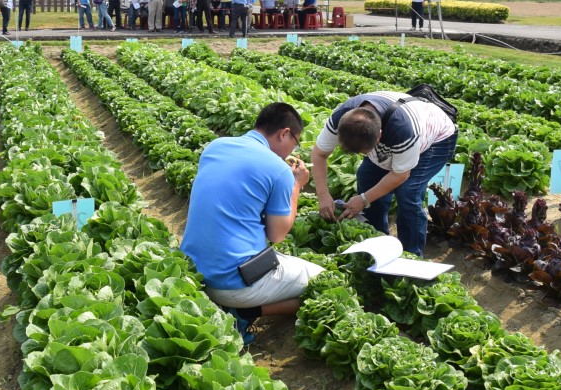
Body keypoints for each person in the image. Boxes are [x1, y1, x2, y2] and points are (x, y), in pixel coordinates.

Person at [181, 102, 321, 344]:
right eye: (295, 142)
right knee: (324, 284)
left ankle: (233, 306)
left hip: (195, 274)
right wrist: (296, 185)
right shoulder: (279, 170)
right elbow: (277, 235)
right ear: (284, 133)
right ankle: (246, 313)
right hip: (234, 285)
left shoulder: (215, 147)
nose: (292, 149)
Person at [310, 91, 458, 256]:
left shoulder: (402, 131)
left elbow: (400, 175)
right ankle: (377, 238)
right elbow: (318, 154)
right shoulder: (341, 119)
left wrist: (364, 199)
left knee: (408, 192)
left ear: (379, 135)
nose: (368, 154)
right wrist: (323, 195)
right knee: (367, 177)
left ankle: (411, 254)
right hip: (400, 128)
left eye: (368, 150)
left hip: (437, 138)